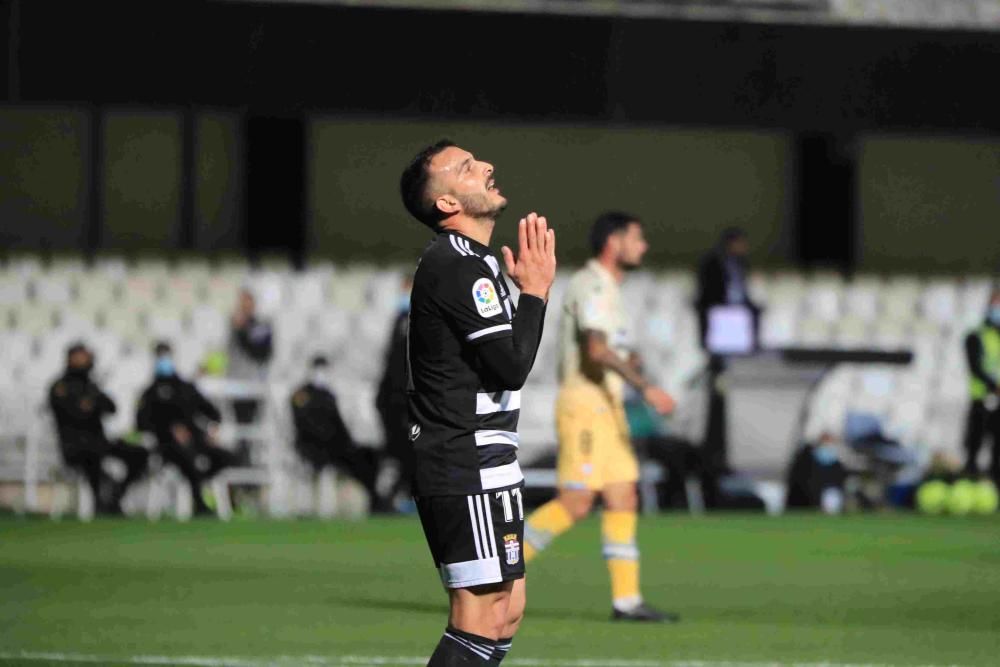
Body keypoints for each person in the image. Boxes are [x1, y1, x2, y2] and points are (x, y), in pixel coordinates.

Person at [400, 139, 555, 666]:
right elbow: (510, 368)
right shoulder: (456, 263)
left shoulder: (475, 262)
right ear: (446, 204)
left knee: (506, 608)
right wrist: (534, 293)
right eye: (466, 168)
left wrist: (529, 292)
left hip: (487, 457)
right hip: (462, 459)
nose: (486, 165)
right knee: (480, 612)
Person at [521, 211, 679, 622]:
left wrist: (629, 360)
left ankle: (626, 601)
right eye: (637, 238)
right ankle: (498, 570)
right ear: (614, 242)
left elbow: (607, 346)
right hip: (586, 406)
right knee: (575, 503)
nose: (643, 246)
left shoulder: (609, 288)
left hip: (606, 410)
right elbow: (595, 350)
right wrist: (646, 387)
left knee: (623, 494)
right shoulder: (591, 284)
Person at [136, 342, 241, 516]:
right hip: (167, 445)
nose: (165, 361)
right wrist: (169, 431)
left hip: (196, 440)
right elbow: (142, 423)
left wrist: (212, 429)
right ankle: (199, 502)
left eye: (167, 356)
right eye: (161, 356)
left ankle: (199, 484)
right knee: (188, 458)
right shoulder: (150, 393)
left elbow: (212, 413)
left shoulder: (185, 388)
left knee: (227, 457)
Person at [47, 343, 148, 515]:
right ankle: (100, 503)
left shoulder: (91, 385)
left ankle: (115, 496)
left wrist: (92, 404)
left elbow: (111, 407)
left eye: (86, 357)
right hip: (75, 445)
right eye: (81, 357)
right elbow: (72, 414)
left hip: (99, 442)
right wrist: (88, 406)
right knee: (91, 457)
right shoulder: (60, 386)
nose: (85, 361)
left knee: (139, 454)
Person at [694, 227, 760, 481]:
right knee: (719, 389)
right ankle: (715, 452)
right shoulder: (712, 263)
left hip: (737, 322)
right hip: (721, 322)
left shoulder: (742, 265)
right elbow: (707, 298)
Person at [290, 355, 389, 512]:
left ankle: (374, 501)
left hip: (331, 447)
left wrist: (347, 444)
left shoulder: (329, 395)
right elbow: (301, 423)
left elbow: (338, 425)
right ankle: (307, 509)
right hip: (309, 446)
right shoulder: (302, 394)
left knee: (365, 460)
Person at [376, 276, 415, 505]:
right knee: (399, 450)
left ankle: (405, 495)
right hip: (395, 399)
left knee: (409, 450)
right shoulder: (400, 319)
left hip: (407, 398)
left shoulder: (417, 318)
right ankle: (398, 496)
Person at [963, 286, 1000, 483]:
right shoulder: (976, 335)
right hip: (981, 400)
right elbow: (975, 367)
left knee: (997, 453)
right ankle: (970, 484)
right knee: (974, 448)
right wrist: (994, 386)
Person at [227, 288, 274, 430]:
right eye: (242, 303)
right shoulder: (231, 327)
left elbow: (261, 353)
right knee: (238, 424)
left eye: (247, 302)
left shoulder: (261, 326)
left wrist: (242, 332)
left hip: (253, 381)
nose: (244, 306)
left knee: (252, 424)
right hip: (235, 380)